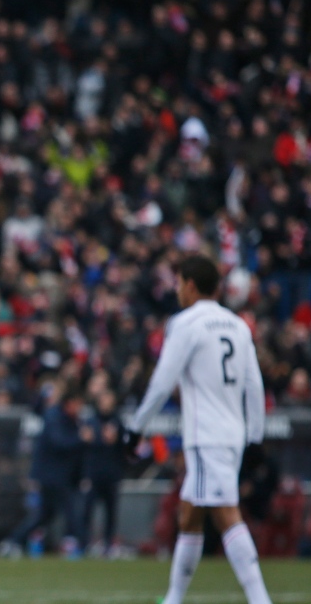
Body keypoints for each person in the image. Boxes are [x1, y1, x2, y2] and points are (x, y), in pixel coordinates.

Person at [123, 255, 271, 604]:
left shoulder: (186, 323)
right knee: (189, 513)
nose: (176, 290)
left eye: (178, 283)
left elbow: (163, 382)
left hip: (206, 436)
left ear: (190, 285)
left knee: (225, 515)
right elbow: (254, 383)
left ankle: (260, 598)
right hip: (231, 432)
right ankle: (173, 598)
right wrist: (256, 435)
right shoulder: (237, 325)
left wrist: (136, 427)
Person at [0, 391, 87, 559]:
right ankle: (77, 545)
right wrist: (80, 438)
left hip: (61, 476)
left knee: (44, 515)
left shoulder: (70, 419)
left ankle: (13, 541)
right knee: (70, 512)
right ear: (69, 403)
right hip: (53, 476)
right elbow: (60, 442)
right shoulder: (54, 417)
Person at [81, 389, 125, 556]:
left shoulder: (117, 422)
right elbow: (85, 442)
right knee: (87, 510)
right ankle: (85, 543)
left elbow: (123, 447)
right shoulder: (90, 421)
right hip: (93, 473)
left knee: (110, 511)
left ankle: (108, 544)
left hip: (111, 473)